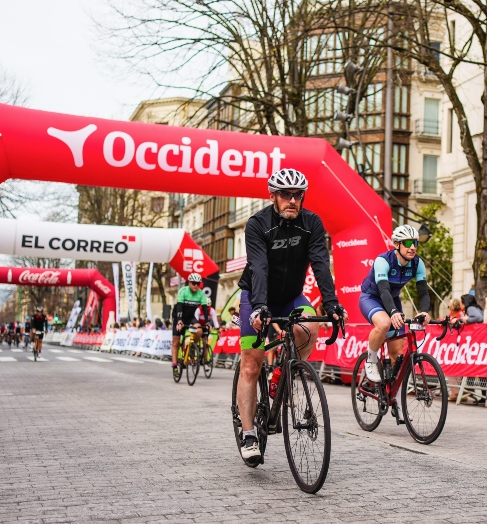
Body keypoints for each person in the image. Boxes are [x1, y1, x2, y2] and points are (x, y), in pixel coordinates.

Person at [235, 168, 346, 465]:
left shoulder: (312, 223)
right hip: (256, 295)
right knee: (251, 363)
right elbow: (259, 268)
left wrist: (332, 304)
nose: (292, 200)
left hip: (292, 297)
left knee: (309, 328)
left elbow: (322, 265)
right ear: (273, 196)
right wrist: (260, 307)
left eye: (298, 195)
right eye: (286, 195)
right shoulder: (258, 224)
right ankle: (248, 434)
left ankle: (288, 370)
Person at [360, 225, 432, 383]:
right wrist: (393, 312)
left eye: (415, 243)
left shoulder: (417, 264)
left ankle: (392, 392)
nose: (412, 247)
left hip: (393, 300)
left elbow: (423, 292)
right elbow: (384, 290)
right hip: (372, 298)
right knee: (384, 324)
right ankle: (371, 361)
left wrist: (425, 311)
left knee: (397, 354)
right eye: (407, 243)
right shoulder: (383, 261)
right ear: (397, 244)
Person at [171, 273, 210, 371]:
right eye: (193, 283)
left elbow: (205, 309)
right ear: (189, 283)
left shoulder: (201, 293)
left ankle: (192, 347)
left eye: (198, 283)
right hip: (178, 316)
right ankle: (175, 365)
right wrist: (179, 321)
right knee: (176, 342)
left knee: (199, 330)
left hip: (190, 318)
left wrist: (207, 322)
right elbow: (179, 307)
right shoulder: (183, 291)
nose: (196, 285)